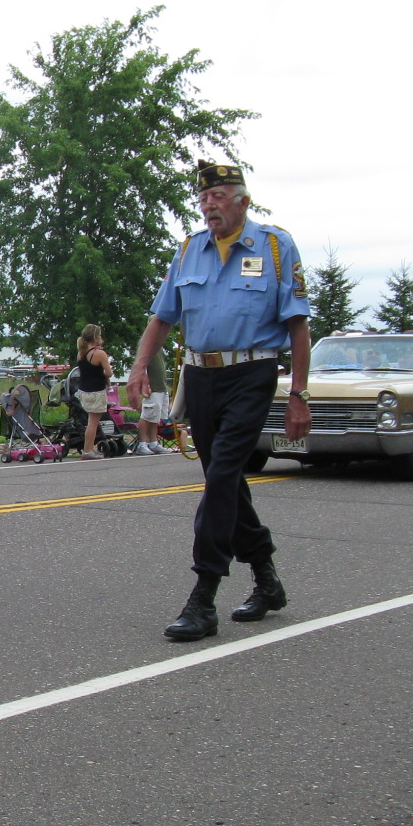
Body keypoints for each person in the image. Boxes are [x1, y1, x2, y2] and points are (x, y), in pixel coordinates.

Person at [128, 161, 310, 641]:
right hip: (200, 376)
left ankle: (203, 596)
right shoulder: (189, 250)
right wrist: (139, 366)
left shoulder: (274, 246)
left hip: (252, 372)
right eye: (204, 200)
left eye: (219, 198)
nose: (209, 206)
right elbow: (162, 316)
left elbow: (298, 326)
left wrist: (299, 396)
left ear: (243, 201)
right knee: (223, 480)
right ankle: (267, 580)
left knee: (224, 475)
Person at [73, 324, 112, 459]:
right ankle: (87, 450)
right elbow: (109, 372)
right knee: (93, 423)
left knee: (91, 421)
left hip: (84, 390)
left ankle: (90, 448)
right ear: (95, 337)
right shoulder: (99, 354)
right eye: (99, 335)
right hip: (96, 391)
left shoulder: (81, 353)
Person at [132, 346, 171, 454]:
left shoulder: (159, 346)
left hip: (161, 387)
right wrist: (146, 384)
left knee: (155, 417)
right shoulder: (149, 345)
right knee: (146, 415)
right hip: (153, 387)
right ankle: (142, 444)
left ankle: (153, 443)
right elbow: (142, 366)